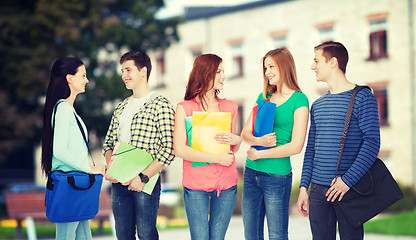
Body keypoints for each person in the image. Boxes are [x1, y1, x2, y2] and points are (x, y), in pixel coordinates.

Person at [296, 41, 380, 240]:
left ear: (332, 62)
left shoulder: (363, 97)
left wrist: (347, 181)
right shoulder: (317, 105)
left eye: (316, 61)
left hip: (348, 190)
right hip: (317, 192)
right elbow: (311, 150)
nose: (312, 66)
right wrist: (303, 188)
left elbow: (372, 143)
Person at [102, 51, 175, 239]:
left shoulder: (161, 105)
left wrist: (141, 178)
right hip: (119, 183)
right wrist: (113, 169)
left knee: (146, 234)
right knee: (123, 235)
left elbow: (169, 149)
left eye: (128, 70)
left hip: (145, 182)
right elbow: (108, 144)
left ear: (143, 71)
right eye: (122, 71)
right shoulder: (121, 107)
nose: (124, 75)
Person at [241, 48, 309, 240]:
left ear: (284, 66)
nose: (267, 72)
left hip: (277, 177)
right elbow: (245, 132)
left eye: (271, 66)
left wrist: (261, 153)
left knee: (277, 235)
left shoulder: (299, 100)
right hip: (251, 172)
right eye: (265, 68)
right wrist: (258, 141)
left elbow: (296, 145)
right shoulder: (264, 97)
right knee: (251, 234)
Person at [173, 54, 242, 240]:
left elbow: (231, 149)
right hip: (196, 185)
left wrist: (237, 140)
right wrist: (216, 159)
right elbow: (179, 149)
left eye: (223, 71)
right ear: (205, 74)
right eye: (219, 71)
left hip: (226, 184)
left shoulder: (230, 107)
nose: (224, 76)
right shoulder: (184, 108)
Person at [41, 57, 104, 239]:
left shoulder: (69, 109)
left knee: (84, 236)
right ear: (70, 78)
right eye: (83, 75)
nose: (87, 80)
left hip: (76, 184)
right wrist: (88, 168)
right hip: (70, 184)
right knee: (67, 236)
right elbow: (59, 151)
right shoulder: (63, 109)